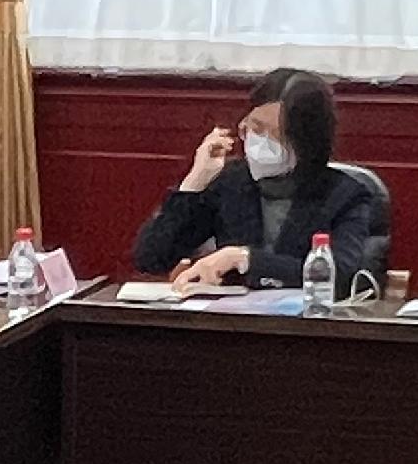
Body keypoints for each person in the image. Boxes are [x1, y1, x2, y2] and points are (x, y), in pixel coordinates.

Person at [132, 67, 388, 295]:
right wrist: (194, 182)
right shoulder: (231, 182)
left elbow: (343, 277)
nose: (257, 140)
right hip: (230, 330)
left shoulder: (345, 195)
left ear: (306, 142)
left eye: (273, 134)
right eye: (254, 128)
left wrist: (245, 259)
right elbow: (151, 258)